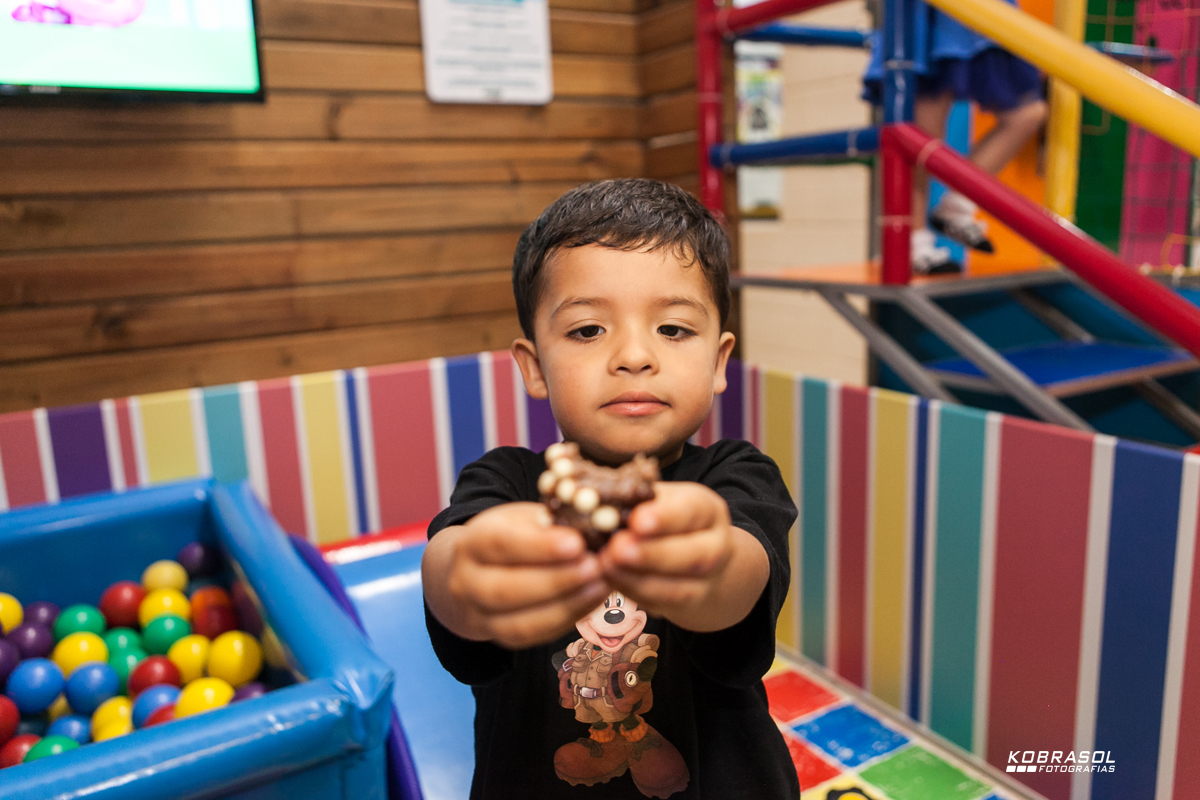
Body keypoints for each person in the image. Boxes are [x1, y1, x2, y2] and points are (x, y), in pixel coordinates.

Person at [421, 178, 800, 799]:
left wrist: (704, 558)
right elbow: (452, 567)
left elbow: (738, 578)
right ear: (535, 368)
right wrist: (468, 575)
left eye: (673, 329)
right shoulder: (504, 481)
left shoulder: (738, 475)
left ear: (719, 361)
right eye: (588, 330)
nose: (634, 355)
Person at [865, 1, 1049, 273]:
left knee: (1028, 113)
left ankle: (956, 205)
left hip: (988, 13)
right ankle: (912, 241)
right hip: (934, 14)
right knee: (921, 133)